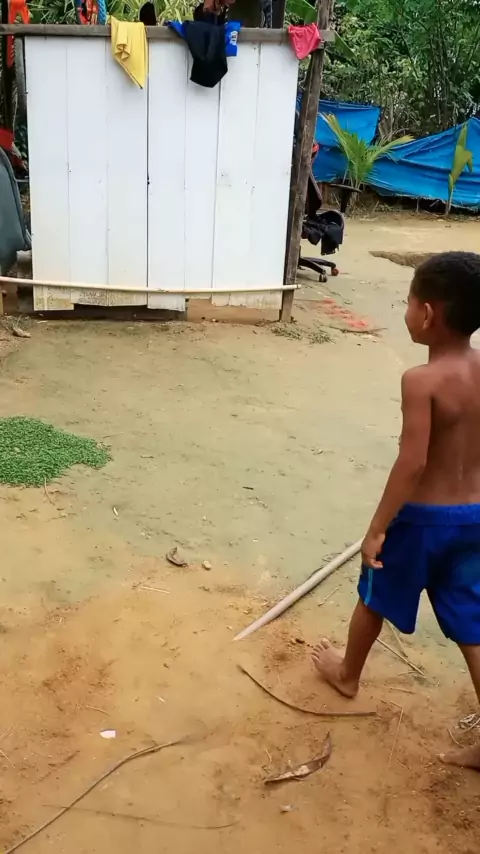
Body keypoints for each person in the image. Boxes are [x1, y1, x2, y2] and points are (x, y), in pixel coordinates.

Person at [312, 251, 480, 770]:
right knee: (472, 624)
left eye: (408, 301)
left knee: (374, 594)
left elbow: (413, 463)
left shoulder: (420, 381)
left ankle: (347, 675)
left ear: (426, 314)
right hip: (473, 518)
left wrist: (376, 529)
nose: (406, 310)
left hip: (423, 520)